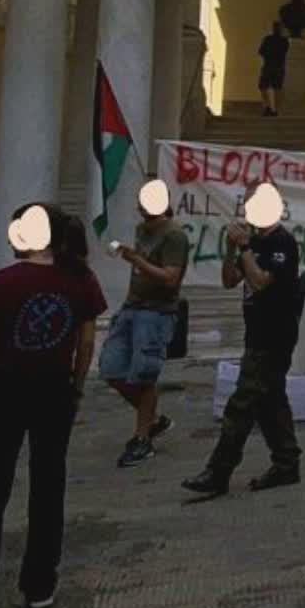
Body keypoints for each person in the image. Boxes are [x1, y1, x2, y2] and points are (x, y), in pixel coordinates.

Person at [0, 203, 106, 608]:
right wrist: (77, 386)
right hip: (55, 392)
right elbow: (86, 345)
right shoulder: (80, 280)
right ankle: (39, 587)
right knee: (48, 487)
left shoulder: (0, 282)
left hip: (6, 389)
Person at [184, 182, 302, 496]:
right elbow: (229, 280)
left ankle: (218, 472)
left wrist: (246, 249)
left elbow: (262, 282)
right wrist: (231, 249)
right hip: (257, 332)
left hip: (275, 334)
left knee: (241, 404)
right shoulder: (254, 244)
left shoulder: (281, 242)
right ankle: (287, 462)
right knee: (269, 402)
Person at [100, 178, 190, 467]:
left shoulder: (174, 235)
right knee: (112, 368)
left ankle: (142, 438)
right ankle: (153, 419)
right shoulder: (142, 230)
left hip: (157, 313)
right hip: (132, 307)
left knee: (144, 375)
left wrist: (137, 260)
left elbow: (170, 277)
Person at [257, 21, 289, 116]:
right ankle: (274, 109)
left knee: (264, 87)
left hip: (269, 66)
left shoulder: (268, 39)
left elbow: (261, 52)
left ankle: (268, 107)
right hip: (278, 67)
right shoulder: (284, 41)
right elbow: (285, 53)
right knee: (276, 88)